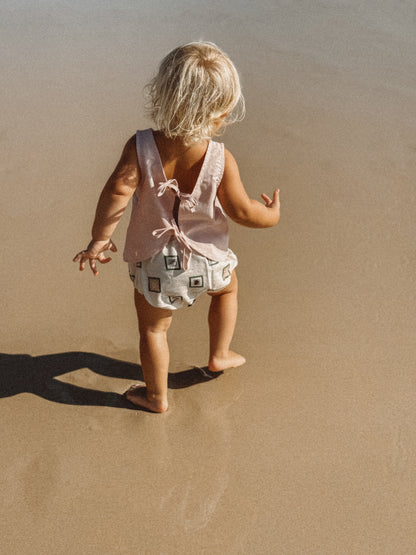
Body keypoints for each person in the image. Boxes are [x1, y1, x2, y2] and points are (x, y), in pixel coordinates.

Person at [73, 42, 280, 413]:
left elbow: (118, 189)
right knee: (227, 291)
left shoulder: (140, 146)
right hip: (208, 261)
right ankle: (219, 354)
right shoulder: (219, 157)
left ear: (162, 93)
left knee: (154, 330)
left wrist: (99, 240)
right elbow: (242, 211)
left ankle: (156, 397)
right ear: (223, 110)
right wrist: (273, 214)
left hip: (154, 265)